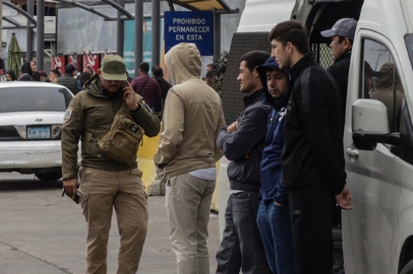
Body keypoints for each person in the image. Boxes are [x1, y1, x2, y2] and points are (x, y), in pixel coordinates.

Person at [61, 54, 160, 274]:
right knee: (98, 236)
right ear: (99, 74)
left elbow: (154, 129)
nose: (114, 83)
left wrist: (135, 107)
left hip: (129, 174)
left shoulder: (133, 98)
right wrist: (68, 174)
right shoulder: (82, 99)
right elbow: (69, 136)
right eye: (109, 79)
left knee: (137, 229)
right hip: (96, 173)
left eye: (118, 78)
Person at [268, 20, 352, 273]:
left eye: (274, 47)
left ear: (289, 46)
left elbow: (320, 139)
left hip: (310, 187)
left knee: (310, 261)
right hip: (311, 186)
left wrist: (337, 184)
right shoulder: (309, 77)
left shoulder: (309, 80)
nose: (272, 54)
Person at [154, 43, 226, 274]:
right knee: (200, 241)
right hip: (207, 171)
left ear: (177, 64)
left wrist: (160, 159)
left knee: (183, 243)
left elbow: (172, 137)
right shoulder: (212, 93)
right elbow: (221, 137)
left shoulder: (178, 92)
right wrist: (208, 157)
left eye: (170, 65)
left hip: (184, 173)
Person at [215, 51, 272, 274]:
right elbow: (230, 142)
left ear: (256, 73)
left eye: (241, 71)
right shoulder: (252, 107)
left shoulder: (259, 110)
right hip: (239, 193)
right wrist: (225, 133)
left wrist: (224, 135)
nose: (238, 77)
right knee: (227, 257)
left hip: (250, 195)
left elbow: (230, 147)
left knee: (253, 260)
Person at [255, 57, 295, 274]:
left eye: (278, 77)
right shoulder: (273, 111)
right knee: (274, 265)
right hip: (267, 196)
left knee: (286, 265)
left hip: (279, 197)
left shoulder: (291, 111)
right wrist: (264, 195)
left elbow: (290, 156)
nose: (271, 83)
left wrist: (279, 197)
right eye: (268, 78)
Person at [321, 17, 357, 113]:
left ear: (346, 42)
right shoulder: (363, 65)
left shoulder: (336, 71)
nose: (330, 45)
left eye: (332, 40)